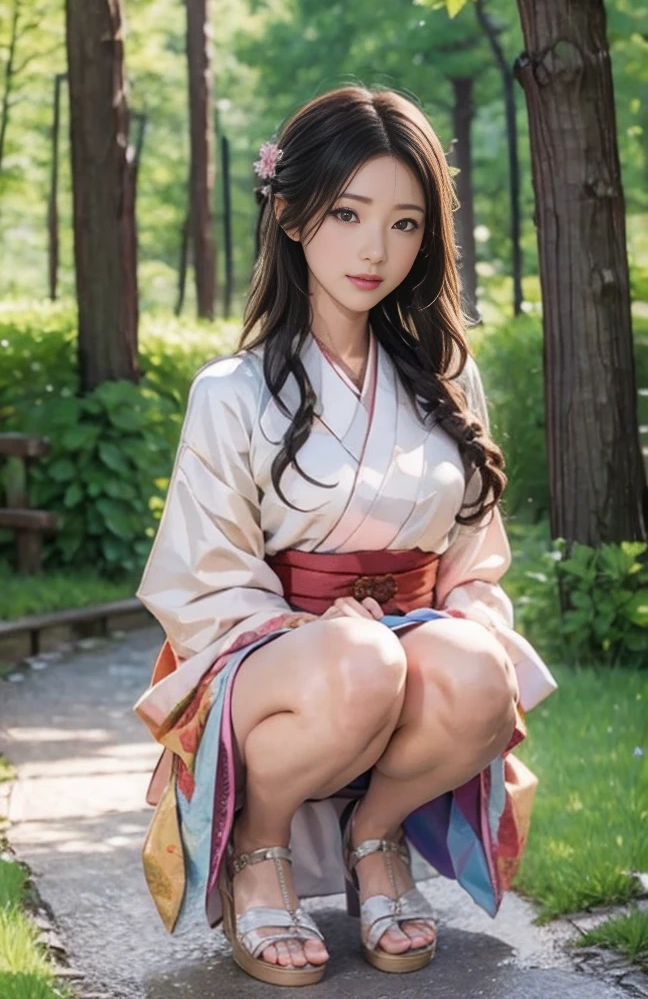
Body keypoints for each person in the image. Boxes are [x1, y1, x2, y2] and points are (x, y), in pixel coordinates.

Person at [134, 84, 557, 988]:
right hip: (277, 661)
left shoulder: (445, 379)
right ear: (290, 214)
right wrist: (327, 630)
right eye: (349, 213)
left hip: (401, 637)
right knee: (363, 662)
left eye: (405, 224)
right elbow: (205, 579)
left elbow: (474, 560)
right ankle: (258, 846)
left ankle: (379, 834)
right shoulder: (232, 391)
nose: (375, 249)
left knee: (486, 675)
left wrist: (459, 622)